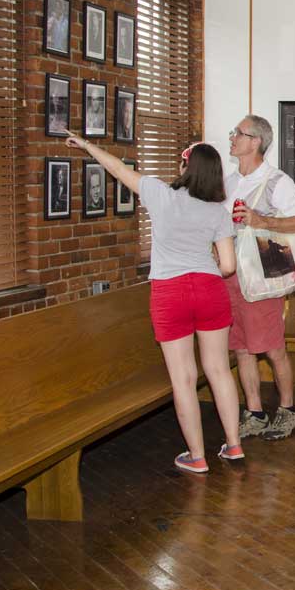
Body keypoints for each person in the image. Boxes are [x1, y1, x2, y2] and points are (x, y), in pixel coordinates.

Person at [64, 133, 243, 473]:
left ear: (185, 168)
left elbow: (117, 168)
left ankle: (197, 456)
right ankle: (233, 445)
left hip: (169, 292)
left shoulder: (161, 195)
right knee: (219, 370)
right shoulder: (217, 212)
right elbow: (229, 266)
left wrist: (87, 146)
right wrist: (204, 267)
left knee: (183, 378)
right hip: (209, 288)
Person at [226, 114, 295, 442]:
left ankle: (288, 410)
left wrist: (263, 221)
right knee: (242, 348)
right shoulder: (229, 181)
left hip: (262, 278)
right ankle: (254, 413)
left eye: (239, 133)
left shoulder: (278, 181)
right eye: (234, 132)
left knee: (272, 348)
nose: (232, 137)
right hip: (231, 277)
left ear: (256, 142)